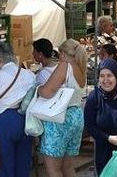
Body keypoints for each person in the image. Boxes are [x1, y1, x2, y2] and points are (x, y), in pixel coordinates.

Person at [0, 43, 34, 177]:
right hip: (25, 119)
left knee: (5, 164)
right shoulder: (29, 74)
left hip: (3, 120)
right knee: (23, 163)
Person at [37, 39, 87, 176]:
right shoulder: (81, 68)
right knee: (68, 167)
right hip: (76, 116)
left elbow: (47, 91)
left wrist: (38, 89)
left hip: (60, 119)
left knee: (53, 168)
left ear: (63, 53)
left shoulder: (65, 66)